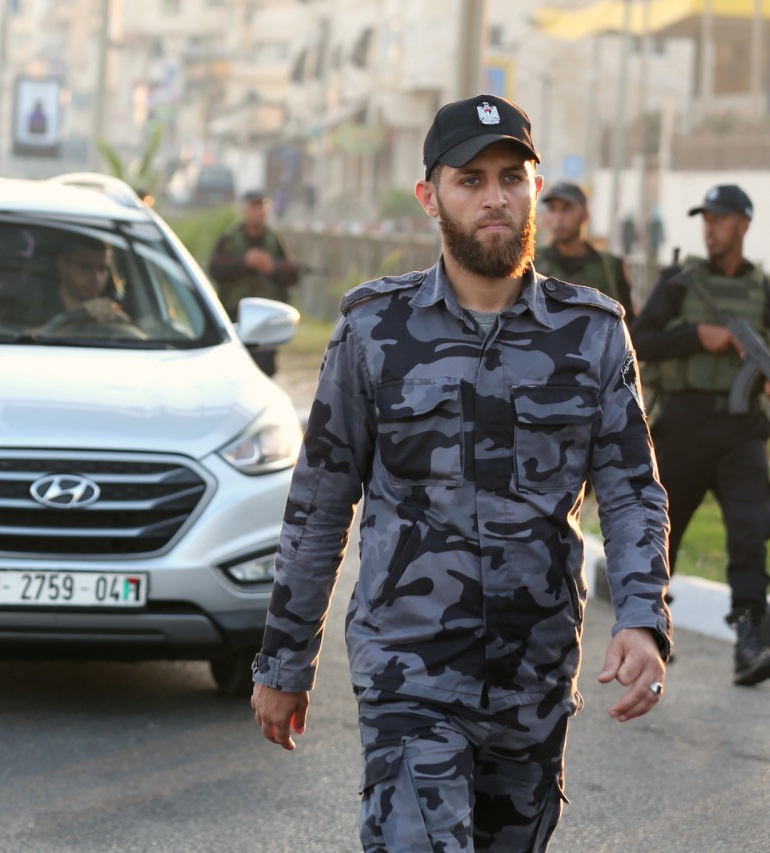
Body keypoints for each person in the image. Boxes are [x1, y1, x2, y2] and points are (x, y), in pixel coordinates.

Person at [250, 93, 672, 850]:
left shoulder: (592, 334)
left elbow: (632, 490)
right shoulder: (374, 330)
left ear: (535, 189)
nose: (494, 198)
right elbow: (320, 502)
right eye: (469, 180)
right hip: (408, 669)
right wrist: (285, 658)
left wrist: (642, 617)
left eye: (511, 176)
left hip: (534, 675)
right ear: (430, 196)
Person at [631, 184, 770, 687]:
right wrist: (697, 337)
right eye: (706, 218)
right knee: (663, 531)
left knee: (752, 528)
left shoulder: (767, 289)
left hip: (742, 427)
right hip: (683, 422)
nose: (711, 227)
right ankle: (652, 630)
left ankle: (749, 640)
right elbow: (639, 339)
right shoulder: (681, 282)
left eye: (721, 219)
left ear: (744, 224)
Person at [208, 189, 302, 375]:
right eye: (254, 206)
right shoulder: (229, 239)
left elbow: (293, 274)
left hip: (267, 319)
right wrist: (245, 263)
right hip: (236, 316)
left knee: (264, 371)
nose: (259, 211)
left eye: (263, 206)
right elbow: (215, 270)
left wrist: (270, 268)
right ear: (244, 209)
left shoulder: (274, 240)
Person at [534, 181, 637, 323]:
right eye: (552, 209)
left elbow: (628, 323)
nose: (558, 217)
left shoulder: (610, 267)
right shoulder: (533, 262)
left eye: (567, 209)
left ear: (585, 215)